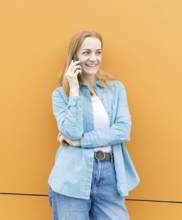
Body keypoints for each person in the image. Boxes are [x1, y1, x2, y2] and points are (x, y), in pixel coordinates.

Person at [48, 30, 140, 220]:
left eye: (98, 52)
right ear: (74, 57)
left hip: (110, 175)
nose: (93, 58)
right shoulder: (60, 95)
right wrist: (74, 90)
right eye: (86, 52)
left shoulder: (115, 89)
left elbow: (123, 130)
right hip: (72, 177)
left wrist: (81, 142)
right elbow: (72, 132)